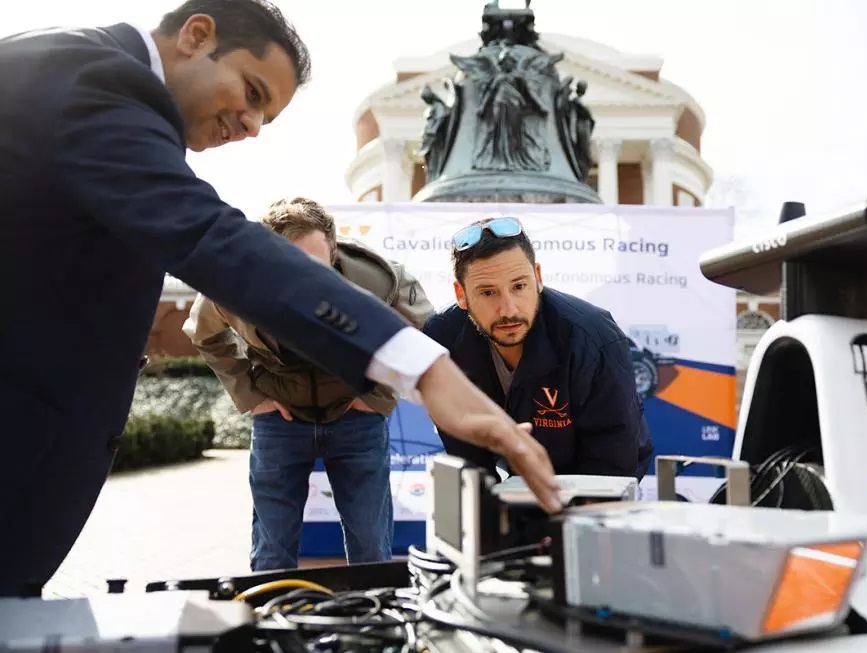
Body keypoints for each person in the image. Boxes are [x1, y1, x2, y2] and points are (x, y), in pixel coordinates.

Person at [0, 0, 560, 595]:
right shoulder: (93, 77)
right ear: (196, 35)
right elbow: (210, 238)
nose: (250, 126)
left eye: (263, 115)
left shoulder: (91, 82)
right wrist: (424, 370)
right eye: (253, 92)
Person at [184, 197, 434, 570]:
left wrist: (380, 393)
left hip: (356, 417)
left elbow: (420, 329)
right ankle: (268, 623)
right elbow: (204, 334)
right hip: (279, 420)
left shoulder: (381, 279)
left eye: (315, 267)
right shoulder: (233, 282)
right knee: (272, 551)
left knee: (371, 548)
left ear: (333, 251)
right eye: (289, 266)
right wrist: (251, 396)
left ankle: (370, 626)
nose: (304, 281)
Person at [423, 217, 654, 481]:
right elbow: (466, 453)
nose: (508, 309)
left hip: (601, 471)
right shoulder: (442, 339)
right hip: (518, 473)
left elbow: (613, 459)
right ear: (461, 294)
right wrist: (487, 511)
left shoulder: (594, 337)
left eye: (519, 286)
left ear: (538, 278)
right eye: (488, 293)